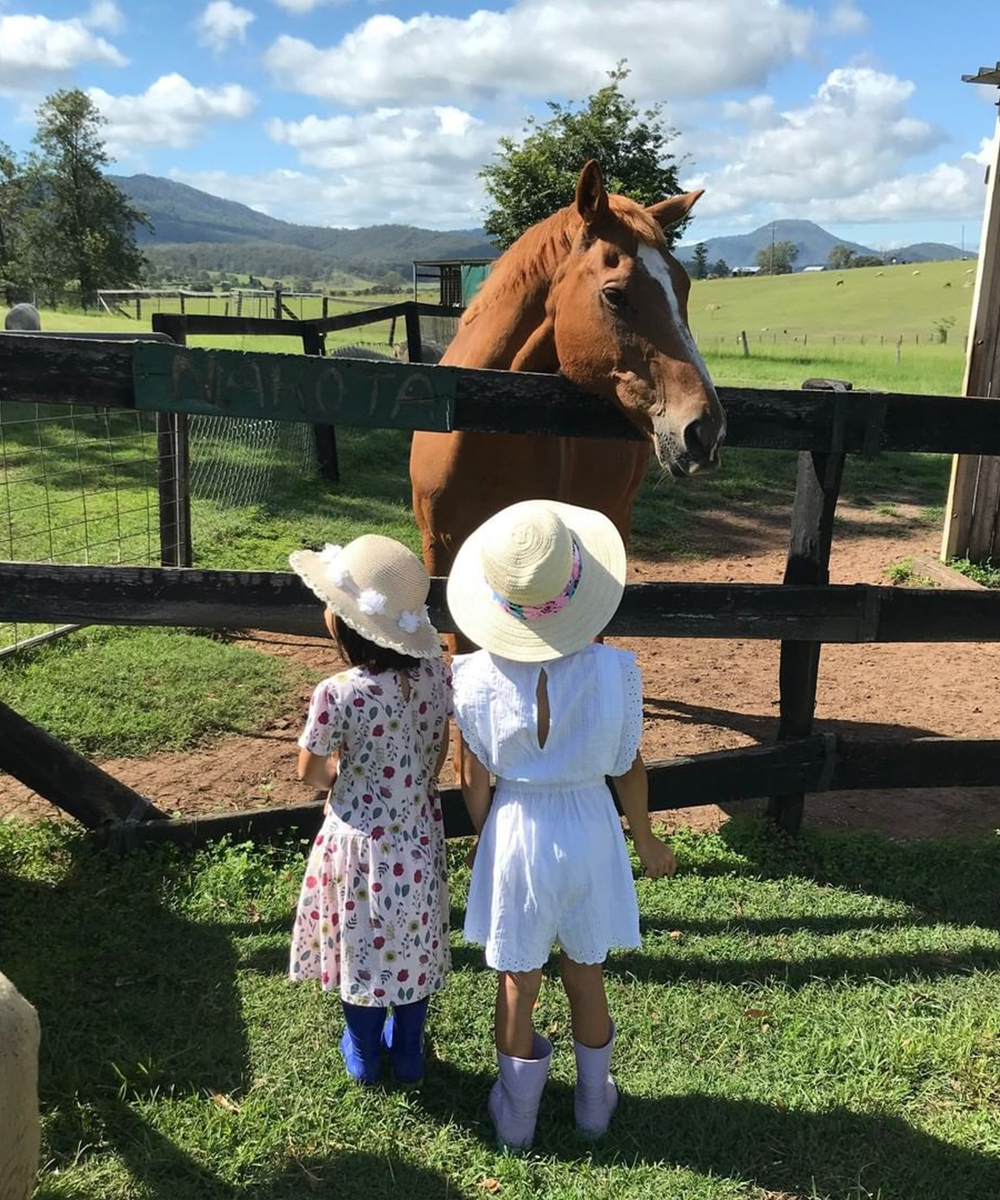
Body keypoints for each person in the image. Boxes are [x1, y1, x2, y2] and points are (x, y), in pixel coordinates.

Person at [447, 500, 676, 1149]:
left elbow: (472, 774)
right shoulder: (613, 673)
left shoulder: (473, 677)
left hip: (516, 824)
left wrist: (485, 835)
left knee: (518, 978)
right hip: (589, 825)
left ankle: (516, 1113)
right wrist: (647, 837)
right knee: (585, 969)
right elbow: (627, 769)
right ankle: (592, 1104)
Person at [288, 535, 453, 1086]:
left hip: (358, 840)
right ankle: (407, 1053)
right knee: (413, 942)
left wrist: (340, 777)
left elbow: (309, 768)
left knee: (362, 944)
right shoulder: (436, 676)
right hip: (418, 834)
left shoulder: (338, 692)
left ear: (346, 625)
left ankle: (362, 1053)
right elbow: (439, 750)